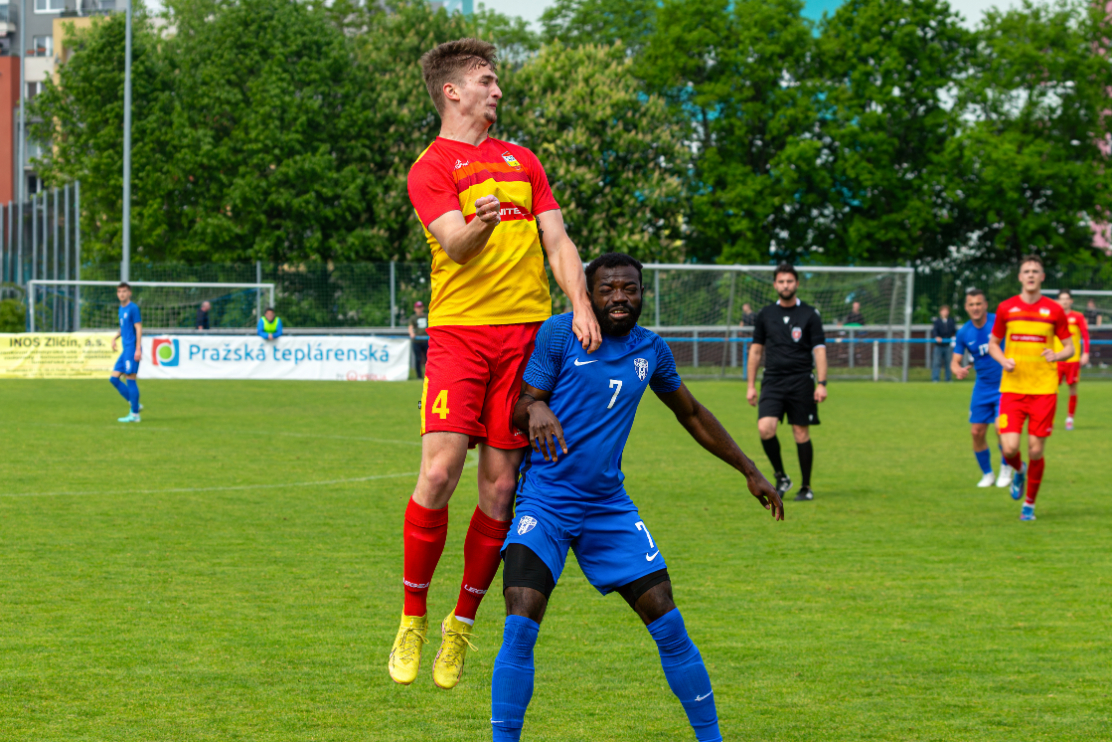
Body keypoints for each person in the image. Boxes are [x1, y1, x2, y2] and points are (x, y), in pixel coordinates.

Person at [491, 253, 783, 742]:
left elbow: (691, 413)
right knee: (520, 620)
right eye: (607, 289)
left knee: (667, 620)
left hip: (608, 508)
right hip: (547, 502)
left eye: (629, 288)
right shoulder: (560, 333)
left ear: (643, 293)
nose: (619, 297)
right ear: (588, 294)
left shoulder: (652, 350)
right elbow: (523, 405)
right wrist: (533, 408)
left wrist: (750, 470)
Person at [390, 38, 601, 690]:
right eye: (486, 80)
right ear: (452, 91)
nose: (498, 90)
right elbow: (454, 244)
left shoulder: (523, 160)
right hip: (460, 336)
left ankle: (460, 625)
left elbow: (557, 240)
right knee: (439, 470)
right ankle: (413, 617)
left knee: (500, 489)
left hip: (525, 341)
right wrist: (481, 222)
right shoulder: (430, 167)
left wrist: (581, 304)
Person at [987, 255, 1073, 521]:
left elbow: (1069, 347)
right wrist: (1003, 360)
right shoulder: (1006, 308)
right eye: (1027, 271)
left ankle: (1029, 505)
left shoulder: (1054, 310)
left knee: (1036, 450)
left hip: (1044, 389)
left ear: (1042, 277)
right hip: (1013, 388)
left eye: (1036, 271)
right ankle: (1020, 470)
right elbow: (993, 344)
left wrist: (1057, 355)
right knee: (1009, 448)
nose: (1031, 275)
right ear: (1020, 277)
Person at [746, 263, 827, 502]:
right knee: (765, 428)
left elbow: (820, 350)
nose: (785, 285)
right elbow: (756, 351)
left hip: (801, 380)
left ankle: (806, 486)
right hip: (772, 380)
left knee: (800, 432)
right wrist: (750, 385)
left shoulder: (810, 314)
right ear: (775, 285)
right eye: (781, 282)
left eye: (789, 281)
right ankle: (781, 477)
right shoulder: (765, 314)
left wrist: (822, 383)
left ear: (797, 284)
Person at [950, 289, 1011, 488]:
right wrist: (957, 370)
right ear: (966, 308)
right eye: (971, 304)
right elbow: (954, 361)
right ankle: (988, 474)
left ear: (985, 305)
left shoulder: (999, 321)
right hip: (982, 388)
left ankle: (1006, 469)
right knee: (976, 432)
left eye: (978, 304)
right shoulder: (963, 332)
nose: (975, 308)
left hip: (1005, 385)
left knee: (1001, 429)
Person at [1053, 289, 1090, 431]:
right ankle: (1050, 419)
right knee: (1051, 390)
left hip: (1073, 359)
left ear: (1071, 301)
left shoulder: (1078, 316)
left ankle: (1069, 419)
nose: (1064, 301)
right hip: (1056, 358)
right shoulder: (1054, 316)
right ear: (1058, 301)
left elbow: (1085, 335)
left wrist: (1085, 353)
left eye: (1067, 298)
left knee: (1073, 389)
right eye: (1062, 299)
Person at [110, 282, 142, 424]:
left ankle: (135, 415)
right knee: (114, 378)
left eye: (124, 291)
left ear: (129, 293)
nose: (121, 294)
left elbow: (139, 328)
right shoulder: (121, 308)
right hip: (125, 349)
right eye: (119, 291)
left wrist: (138, 348)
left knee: (130, 379)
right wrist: (115, 337)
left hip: (132, 349)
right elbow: (123, 327)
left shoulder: (133, 308)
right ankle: (135, 404)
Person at [931, 305, 956, 382]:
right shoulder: (937, 321)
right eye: (943, 311)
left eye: (946, 311)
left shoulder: (951, 321)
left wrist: (954, 336)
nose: (945, 312)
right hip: (939, 345)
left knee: (949, 362)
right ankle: (935, 378)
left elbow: (954, 331)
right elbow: (934, 331)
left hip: (947, 345)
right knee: (936, 362)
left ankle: (948, 378)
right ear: (940, 312)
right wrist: (937, 337)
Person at [408, 301, 430, 380]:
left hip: (426, 340)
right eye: (417, 307)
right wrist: (411, 333)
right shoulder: (413, 318)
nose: (419, 309)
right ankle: (419, 376)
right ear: (415, 309)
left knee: (428, 359)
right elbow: (410, 326)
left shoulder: (427, 316)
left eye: (420, 307)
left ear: (423, 308)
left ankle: (429, 375)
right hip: (416, 341)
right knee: (418, 358)